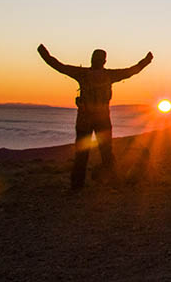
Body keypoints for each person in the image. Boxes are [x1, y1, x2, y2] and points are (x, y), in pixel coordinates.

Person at [37, 44, 153, 190]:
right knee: (106, 153)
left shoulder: (82, 73)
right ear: (104, 61)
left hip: (84, 119)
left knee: (82, 154)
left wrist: (43, 53)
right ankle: (114, 183)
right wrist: (146, 61)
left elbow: (58, 66)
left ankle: (77, 187)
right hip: (103, 119)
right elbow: (131, 71)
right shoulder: (109, 75)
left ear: (92, 59)